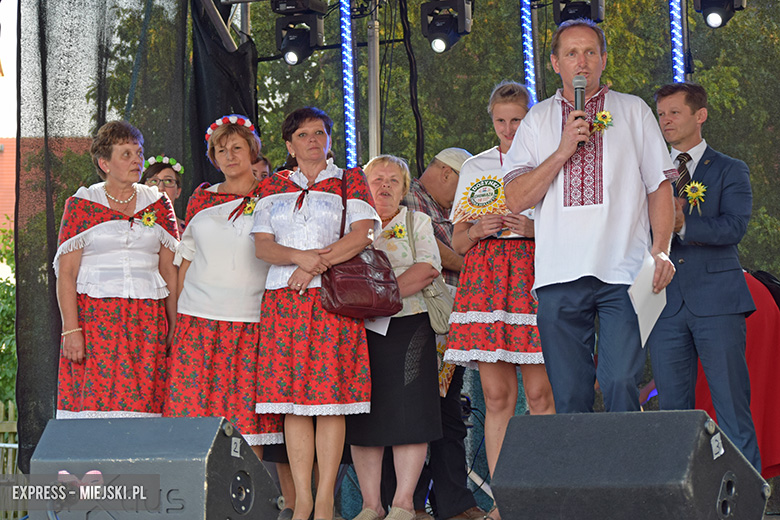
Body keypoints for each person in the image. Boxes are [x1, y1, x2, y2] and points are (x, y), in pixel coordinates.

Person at [503, 19, 677, 415]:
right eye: (571, 53)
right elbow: (515, 198)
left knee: (618, 381)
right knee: (570, 396)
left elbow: (659, 187)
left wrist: (661, 250)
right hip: (558, 275)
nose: (581, 62)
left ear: (602, 59)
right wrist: (563, 149)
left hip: (624, 270)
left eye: (590, 52)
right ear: (554, 63)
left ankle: (627, 478)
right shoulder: (537, 120)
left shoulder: (633, 111)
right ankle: (579, 478)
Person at [252, 107, 380, 520]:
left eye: (319, 133)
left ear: (328, 138)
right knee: (292, 403)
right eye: (303, 135)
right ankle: (302, 499)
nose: (312, 140)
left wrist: (314, 266)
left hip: (331, 302)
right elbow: (263, 247)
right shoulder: (271, 185)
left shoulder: (350, 178)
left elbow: (362, 234)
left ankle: (324, 499)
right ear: (289, 145)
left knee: (330, 401)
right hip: (283, 302)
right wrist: (299, 258)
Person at [443, 81, 554, 520]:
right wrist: (478, 229)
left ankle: (543, 495)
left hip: (533, 273)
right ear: (491, 121)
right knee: (496, 395)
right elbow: (457, 240)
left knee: (541, 393)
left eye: (517, 119)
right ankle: (505, 500)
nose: (509, 129)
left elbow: (575, 227)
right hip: (486, 279)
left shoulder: (549, 159)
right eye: (501, 120)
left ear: (531, 119)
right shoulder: (476, 165)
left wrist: (532, 230)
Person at [649, 83, 760, 471]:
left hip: (717, 302)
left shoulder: (730, 168)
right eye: (661, 114)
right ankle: (678, 505)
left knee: (731, 407)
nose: (665, 121)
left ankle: (745, 507)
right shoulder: (648, 171)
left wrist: (681, 225)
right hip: (662, 303)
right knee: (672, 417)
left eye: (674, 112)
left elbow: (733, 228)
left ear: (700, 115)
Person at [163, 114, 283, 458]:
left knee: (247, 423)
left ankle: (249, 504)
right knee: (190, 415)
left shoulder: (275, 197)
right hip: (197, 320)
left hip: (251, 323)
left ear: (252, 151)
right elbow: (184, 262)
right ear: (213, 158)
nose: (229, 156)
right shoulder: (201, 199)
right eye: (220, 150)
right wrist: (175, 322)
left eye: (236, 147)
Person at [53, 120, 178, 418]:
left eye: (139, 152)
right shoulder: (82, 203)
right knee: (96, 408)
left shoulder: (158, 203)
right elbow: (66, 274)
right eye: (127, 154)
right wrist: (71, 329)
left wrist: (176, 326)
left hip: (147, 321)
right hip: (97, 321)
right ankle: (93, 467)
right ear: (104, 163)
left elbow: (170, 272)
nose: (137, 160)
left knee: (145, 408)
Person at [347, 155, 442, 520]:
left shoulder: (417, 221)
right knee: (363, 416)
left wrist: (379, 297)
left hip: (409, 323)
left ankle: (403, 504)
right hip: (359, 330)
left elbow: (428, 269)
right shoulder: (352, 225)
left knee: (410, 413)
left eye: (393, 180)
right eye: (377, 179)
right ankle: (372, 505)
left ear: (404, 189)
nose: (384, 186)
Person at [400, 147, 485, 520]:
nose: (460, 197)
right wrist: (478, 266)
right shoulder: (411, 196)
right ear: (449, 174)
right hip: (418, 320)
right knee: (417, 412)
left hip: (447, 323)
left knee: (448, 410)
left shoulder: (441, 206)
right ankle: (412, 501)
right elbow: (430, 249)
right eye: (460, 187)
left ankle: (453, 502)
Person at [140, 154, 185, 234]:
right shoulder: (132, 228)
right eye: (153, 181)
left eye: (168, 181)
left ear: (178, 191)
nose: (160, 188)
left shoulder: (190, 231)